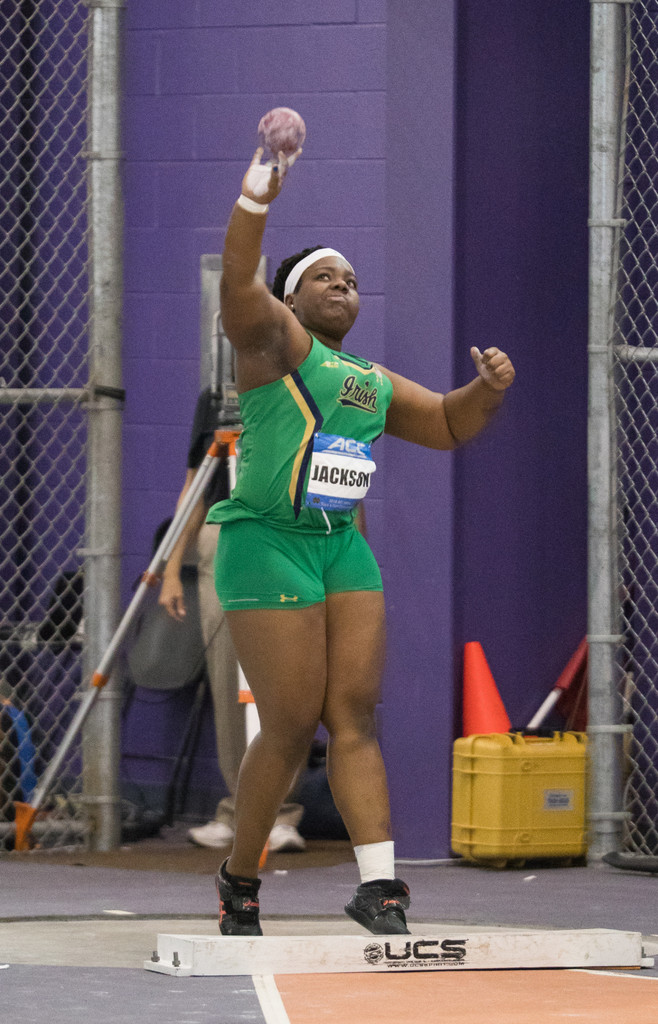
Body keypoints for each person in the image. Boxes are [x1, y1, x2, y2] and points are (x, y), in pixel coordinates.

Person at [208, 144, 516, 937]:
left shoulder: (370, 380)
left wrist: (486, 390)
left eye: (350, 278)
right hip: (267, 542)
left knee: (353, 712)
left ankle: (379, 887)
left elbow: (445, 423)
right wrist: (258, 191)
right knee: (288, 723)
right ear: (290, 297)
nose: (343, 284)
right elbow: (238, 283)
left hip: (340, 545)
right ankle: (240, 879)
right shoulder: (273, 345)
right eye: (325, 276)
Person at [159, 388, 306, 853]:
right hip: (223, 535)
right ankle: (239, 810)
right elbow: (195, 487)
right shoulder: (214, 401)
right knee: (227, 680)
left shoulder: (307, 385)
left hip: (286, 530)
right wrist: (171, 567)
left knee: (283, 679)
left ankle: (280, 813)